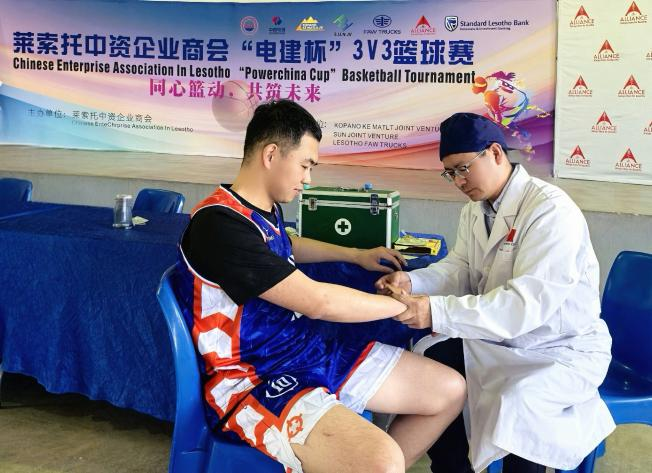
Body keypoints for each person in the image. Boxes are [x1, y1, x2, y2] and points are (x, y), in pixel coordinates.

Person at [177, 99, 466, 473]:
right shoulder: (218, 225)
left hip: (302, 349)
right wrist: (406, 307)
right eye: (305, 165)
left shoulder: (259, 210)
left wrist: (355, 254)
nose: (308, 179)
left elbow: (286, 244)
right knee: (382, 461)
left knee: (449, 391)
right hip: (252, 379)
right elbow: (318, 301)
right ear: (271, 155)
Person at [376, 112, 615, 473]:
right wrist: (414, 283)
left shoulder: (549, 211)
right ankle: (452, 467)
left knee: (520, 403)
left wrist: (434, 312)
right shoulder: (476, 210)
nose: (458, 181)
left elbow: (524, 305)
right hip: (502, 342)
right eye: (450, 173)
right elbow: (460, 269)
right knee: (432, 361)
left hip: (557, 347)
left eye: (463, 168)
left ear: (496, 153)